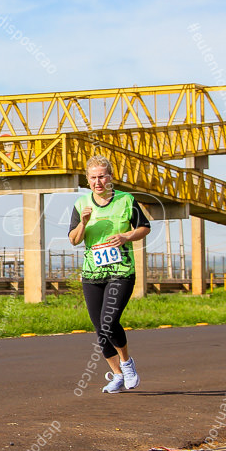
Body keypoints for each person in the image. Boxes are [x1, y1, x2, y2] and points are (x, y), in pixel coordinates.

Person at [68, 154, 151, 393]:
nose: (98, 182)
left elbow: (144, 227)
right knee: (100, 329)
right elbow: (74, 240)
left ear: (110, 177)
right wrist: (83, 222)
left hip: (121, 272)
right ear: (87, 180)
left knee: (109, 321)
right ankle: (116, 375)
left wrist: (126, 236)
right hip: (92, 275)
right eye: (93, 178)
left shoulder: (126, 200)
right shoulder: (81, 205)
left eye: (102, 176)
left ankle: (127, 364)